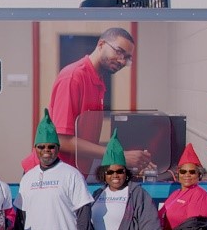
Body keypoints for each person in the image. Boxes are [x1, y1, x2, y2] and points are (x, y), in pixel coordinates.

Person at [40, 27, 151, 175]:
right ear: (101, 44)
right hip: (51, 174)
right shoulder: (73, 77)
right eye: (118, 51)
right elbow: (61, 140)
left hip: (74, 173)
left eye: (127, 57)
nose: (122, 60)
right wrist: (117, 155)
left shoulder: (99, 80)